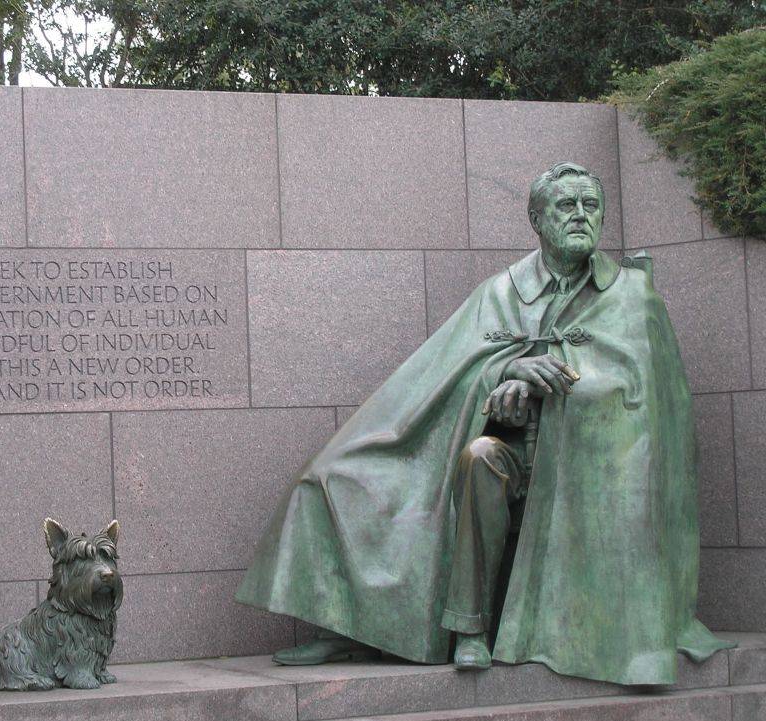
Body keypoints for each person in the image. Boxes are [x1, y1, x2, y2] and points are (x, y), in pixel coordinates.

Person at [235, 162, 733, 685]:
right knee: (342, 475)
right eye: (567, 206)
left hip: (590, 466)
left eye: (591, 205)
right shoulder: (500, 293)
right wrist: (502, 375)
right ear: (537, 220)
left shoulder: (633, 295)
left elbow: (648, 403)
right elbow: (444, 373)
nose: (581, 216)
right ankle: (440, 630)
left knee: (484, 459)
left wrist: (551, 385)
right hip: (508, 449)